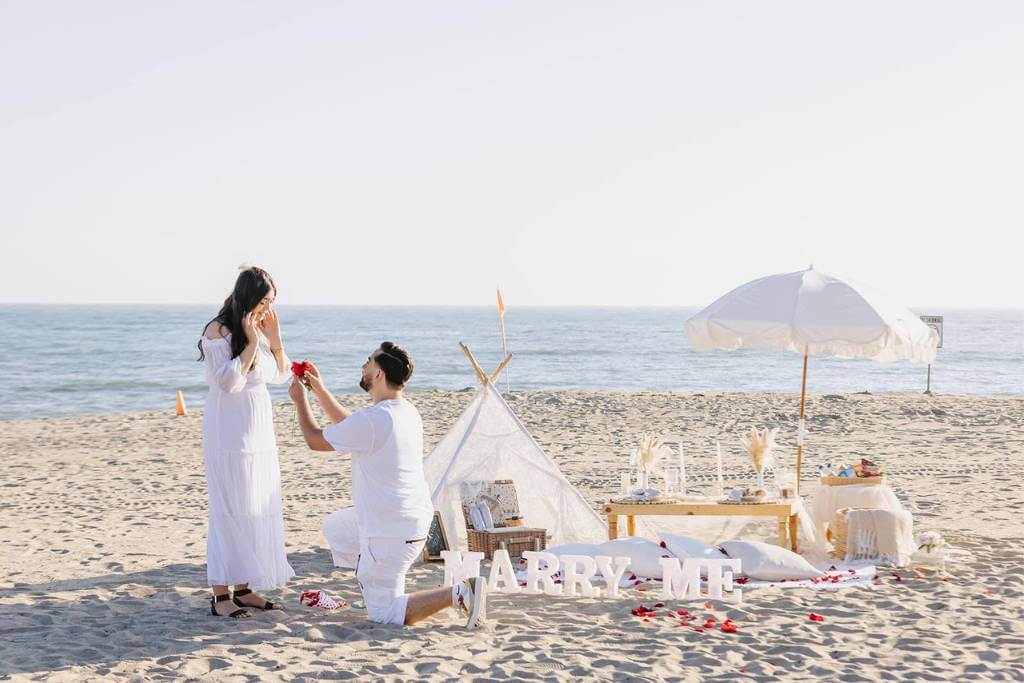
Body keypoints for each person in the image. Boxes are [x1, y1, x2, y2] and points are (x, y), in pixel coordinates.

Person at [289, 342, 486, 628]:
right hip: (411, 521)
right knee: (336, 527)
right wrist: (318, 390)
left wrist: (300, 401)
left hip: (391, 532)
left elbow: (314, 439)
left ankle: (460, 592)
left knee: (385, 614)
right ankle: (372, 580)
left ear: (379, 374)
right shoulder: (404, 412)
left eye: (368, 361)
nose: (363, 365)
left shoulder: (375, 421)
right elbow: (352, 428)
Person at [198, 264, 295, 618]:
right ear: (249, 297)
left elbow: (282, 374)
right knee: (228, 509)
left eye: (271, 302)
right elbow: (229, 383)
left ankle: (244, 588)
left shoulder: (262, 326)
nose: (268, 309)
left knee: (253, 506)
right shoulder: (219, 331)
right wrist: (252, 343)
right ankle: (221, 596)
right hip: (228, 431)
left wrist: (275, 338)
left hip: (259, 432)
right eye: (264, 301)